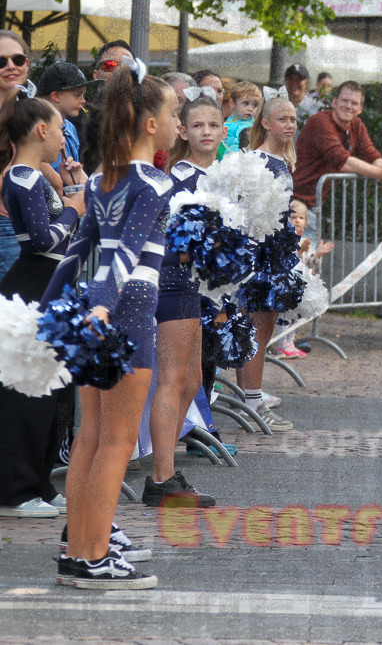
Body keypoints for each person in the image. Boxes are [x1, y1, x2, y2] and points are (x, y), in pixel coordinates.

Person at [43, 57, 180, 589]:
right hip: (127, 310)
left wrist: (51, 309)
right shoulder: (153, 183)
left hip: (99, 307)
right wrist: (100, 309)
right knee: (117, 442)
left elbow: (79, 251)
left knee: (92, 438)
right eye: (173, 114)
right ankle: (95, 557)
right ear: (150, 124)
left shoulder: (103, 179)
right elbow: (120, 258)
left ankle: (78, 552)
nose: (175, 123)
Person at [0, 91, 85, 518]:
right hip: (32, 287)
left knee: (54, 392)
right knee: (28, 393)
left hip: (51, 286)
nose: (64, 138)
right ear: (41, 130)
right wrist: (71, 208)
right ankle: (16, 490)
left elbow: (69, 229)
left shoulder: (37, 177)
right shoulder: (22, 177)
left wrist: (77, 188)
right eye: (59, 128)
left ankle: (40, 479)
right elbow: (42, 240)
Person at [141, 93, 225, 509]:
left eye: (213, 125)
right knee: (173, 381)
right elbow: (175, 238)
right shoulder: (180, 176)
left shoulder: (223, 175)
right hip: (172, 280)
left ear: (223, 131)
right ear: (184, 132)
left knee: (191, 381)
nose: (205, 132)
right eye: (197, 125)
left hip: (193, 286)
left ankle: (164, 467)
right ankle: (161, 477)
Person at [235, 92, 301, 432]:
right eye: (282, 119)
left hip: (273, 253)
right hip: (260, 257)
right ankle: (252, 402)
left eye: (292, 119)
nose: (290, 125)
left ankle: (249, 397)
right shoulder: (258, 160)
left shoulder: (281, 161)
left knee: (258, 330)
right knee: (257, 331)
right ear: (265, 124)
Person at [293, 80, 382, 242]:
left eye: (354, 103)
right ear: (334, 102)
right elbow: (343, 161)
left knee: (307, 262)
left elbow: (372, 156)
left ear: (360, 109)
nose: (348, 106)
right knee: (299, 262)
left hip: (311, 206)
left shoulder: (357, 126)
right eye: (344, 101)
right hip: (292, 203)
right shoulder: (320, 122)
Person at [270, 200, 333, 359]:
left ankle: (290, 343)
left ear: (306, 222)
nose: (297, 221)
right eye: (293, 217)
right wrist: (300, 251)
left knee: (296, 316)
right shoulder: (283, 240)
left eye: (301, 218)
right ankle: (280, 344)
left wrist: (317, 254)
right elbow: (285, 260)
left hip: (300, 286)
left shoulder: (305, 240)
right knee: (284, 315)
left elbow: (311, 263)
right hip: (285, 285)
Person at [0, 30, 32, 283]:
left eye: (17, 60)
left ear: (27, 64)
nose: (11, 66)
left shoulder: (28, 108)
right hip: (5, 226)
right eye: (1, 62)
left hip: (30, 222)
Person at [81, 40, 134, 175]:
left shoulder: (143, 118)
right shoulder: (80, 116)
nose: (119, 72)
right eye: (110, 65)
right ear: (96, 75)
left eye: (127, 66)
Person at [38, 62, 91, 185]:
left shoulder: (70, 127)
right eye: (77, 95)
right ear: (56, 96)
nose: (83, 100)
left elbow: (77, 169)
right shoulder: (38, 128)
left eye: (83, 95)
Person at [223, 81, 260, 153]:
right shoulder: (224, 125)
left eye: (255, 105)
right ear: (232, 103)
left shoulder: (255, 126)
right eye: (245, 103)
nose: (250, 109)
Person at [284, 63, 322, 129]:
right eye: (291, 79)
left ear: (307, 84)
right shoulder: (278, 107)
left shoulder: (317, 108)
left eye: (299, 80)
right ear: (286, 82)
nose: (294, 83)